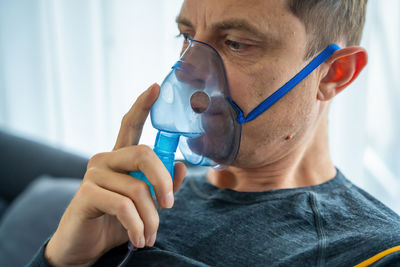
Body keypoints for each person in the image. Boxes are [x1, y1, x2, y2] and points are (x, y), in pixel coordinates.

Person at [29, 0, 400, 266]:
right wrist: (63, 259)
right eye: (186, 36)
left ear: (334, 74)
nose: (188, 70)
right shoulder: (139, 195)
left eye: (236, 43)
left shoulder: (370, 252)